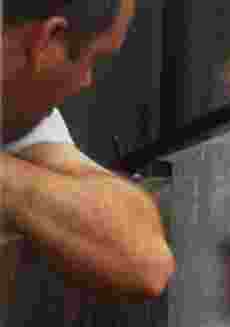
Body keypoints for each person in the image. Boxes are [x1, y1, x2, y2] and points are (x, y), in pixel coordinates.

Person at [1, 0, 175, 298]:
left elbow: (147, 258)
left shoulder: (19, 113)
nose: (86, 81)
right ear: (50, 39)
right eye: (95, 59)